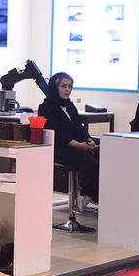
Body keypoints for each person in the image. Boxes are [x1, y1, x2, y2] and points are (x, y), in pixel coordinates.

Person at [37, 72, 99, 206]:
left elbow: (79, 127)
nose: (67, 90)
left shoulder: (70, 106)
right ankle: (85, 193)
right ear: (54, 87)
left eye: (70, 86)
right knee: (92, 164)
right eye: (63, 86)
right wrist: (79, 145)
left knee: (104, 157)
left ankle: (98, 196)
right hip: (59, 148)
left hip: (75, 145)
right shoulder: (46, 107)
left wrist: (89, 140)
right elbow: (57, 133)